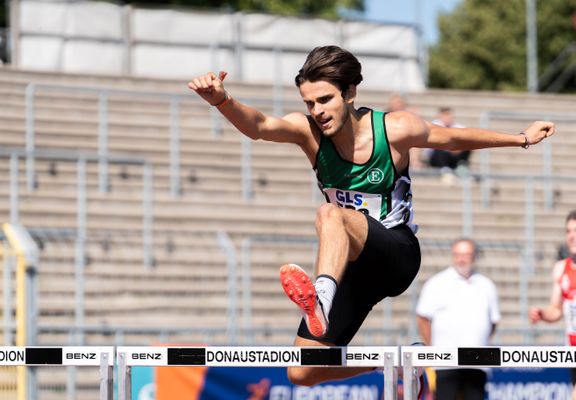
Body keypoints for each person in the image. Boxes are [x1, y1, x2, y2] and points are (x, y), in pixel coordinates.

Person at [188, 45, 554, 387]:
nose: (317, 111)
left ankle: (321, 298)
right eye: (309, 102)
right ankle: (397, 360)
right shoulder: (309, 132)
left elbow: (453, 140)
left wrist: (521, 138)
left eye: (325, 100)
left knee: (330, 214)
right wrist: (223, 101)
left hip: (396, 253)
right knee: (302, 370)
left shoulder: (394, 128)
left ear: (350, 93)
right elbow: (260, 126)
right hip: (352, 268)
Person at [416, 238, 500, 400]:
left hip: (477, 362)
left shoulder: (487, 285)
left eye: (466, 254)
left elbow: (493, 321)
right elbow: (422, 317)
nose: (462, 259)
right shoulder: (437, 283)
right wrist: (434, 349)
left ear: (474, 256)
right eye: (458, 254)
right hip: (445, 362)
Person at [529, 211, 576, 400]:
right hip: (575, 353)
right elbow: (556, 310)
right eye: (568, 231)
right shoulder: (562, 268)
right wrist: (542, 313)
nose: (571, 236)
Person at [427, 107, 471, 172]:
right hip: (436, 156)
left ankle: (462, 164)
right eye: (445, 115)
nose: (447, 118)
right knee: (438, 147)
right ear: (440, 116)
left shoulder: (458, 126)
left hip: (452, 153)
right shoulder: (434, 125)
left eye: (448, 115)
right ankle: (444, 168)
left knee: (468, 145)